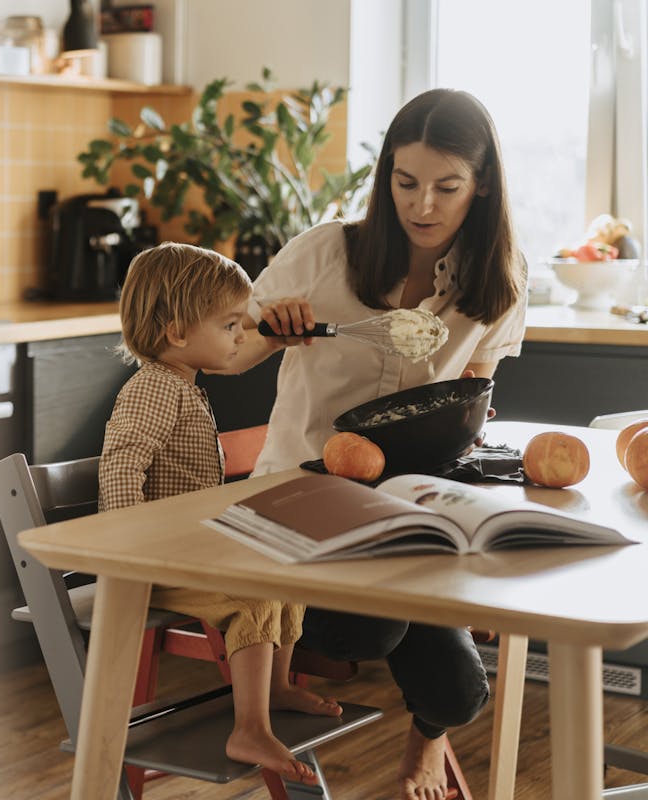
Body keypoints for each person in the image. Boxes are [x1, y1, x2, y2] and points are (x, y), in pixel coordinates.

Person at [222, 89, 528, 800]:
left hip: (402, 516)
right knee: (369, 633)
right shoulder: (325, 254)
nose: (423, 205)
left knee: (459, 692)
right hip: (297, 508)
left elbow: (470, 405)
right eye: (406, 182)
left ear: (480, 185)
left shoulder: (498, 286)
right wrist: (268, 326)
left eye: (446, 187)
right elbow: (228, 351)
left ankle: (423, 749)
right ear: (386, 174)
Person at [98, 241, 342, 784]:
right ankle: (249, 726)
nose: (240, 336)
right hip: (153, 564)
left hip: (183, 551)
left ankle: (274, 689)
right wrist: (130, 547)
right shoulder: (155, 390)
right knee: (253, 591)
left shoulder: (181, 385)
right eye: (230, 324)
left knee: (282, 572)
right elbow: (119, 465)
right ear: (180, 333)